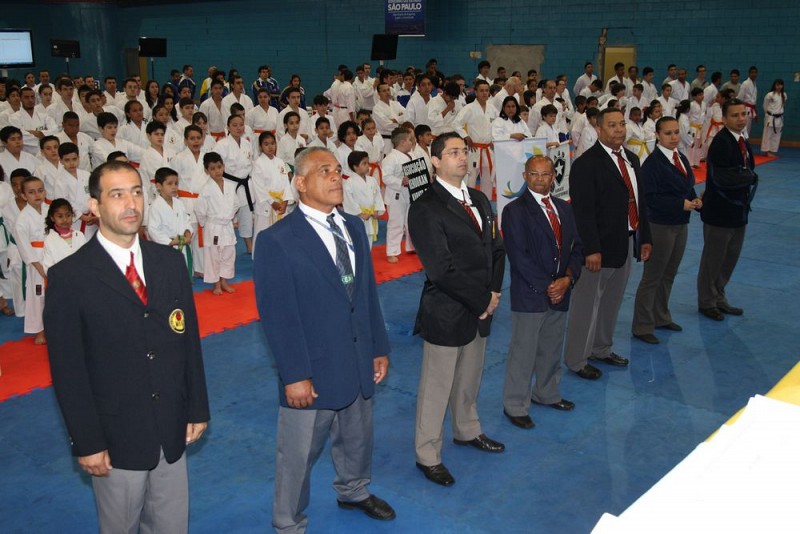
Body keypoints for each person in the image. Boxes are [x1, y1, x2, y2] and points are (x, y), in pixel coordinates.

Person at [44, 160, 209, 532]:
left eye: (136, 192)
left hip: (172, 425)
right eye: (117, 194)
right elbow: (69, 372)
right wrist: (87, 441)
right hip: (116, 435)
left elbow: (188, 342)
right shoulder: (70, 277)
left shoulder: (168, 262)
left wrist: (197, 407)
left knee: (172, 525)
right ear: (95, 206)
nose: (131, 203)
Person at [253, 146, 395, 532]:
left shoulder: (353, 227)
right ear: (300, 183)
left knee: (357, 436)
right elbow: (278, 317)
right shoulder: (277, 240)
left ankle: (354, 490)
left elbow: (366, 294)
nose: (335, 176)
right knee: (298, 454)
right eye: (323, 171)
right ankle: (288, 522)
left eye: (336, 170)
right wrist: (294, 375)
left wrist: (378, 346)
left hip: (357, 354)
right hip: (311, 368)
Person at [408, 132, 506, 487]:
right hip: (448, 308)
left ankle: (467, 429)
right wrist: (481, 300)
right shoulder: (425, 207)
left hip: (482, 304)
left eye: (464, 151)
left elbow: (497, 250)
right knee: (436, 387)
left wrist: (493, 293)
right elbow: (440, 269)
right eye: (453, 152)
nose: (462, 157)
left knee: (470, 377)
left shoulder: (478, 199)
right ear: (435, 161)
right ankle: (428, 454)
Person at [564, 108, 652, 380]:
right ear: (599, 129)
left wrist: (645, 237)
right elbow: (583, 212)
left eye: (621, 124)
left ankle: (601, 348)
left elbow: (640, 201)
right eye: (612, 125)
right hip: (598, 247)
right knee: (586, 304)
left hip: (625, 240)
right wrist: (591, 248)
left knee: (612, 300)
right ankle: (577, 359)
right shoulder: (586, 164)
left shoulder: (632, 159)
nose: (619, 129)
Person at [501, 155, 583, 429]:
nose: (539, 180)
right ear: (525, 176)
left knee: (551, 347)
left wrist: (568, 279)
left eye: (545, 174)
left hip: (561, 290)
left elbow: (577, 247)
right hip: (531, 293)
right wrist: (550, 286)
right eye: (534, 174)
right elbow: (518, 256)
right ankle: (515, 404)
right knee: (523, 351)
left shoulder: (564, 208)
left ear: (553, 177)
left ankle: (546, 392)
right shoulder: (514, 211)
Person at [631, 117, 701, 343]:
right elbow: (649, 199)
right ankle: (642, 325)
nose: (673, 137)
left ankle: (661, 316)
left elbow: (686, 186)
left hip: (681, 223)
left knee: (669, 273)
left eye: (676, 132)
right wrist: (680, 204)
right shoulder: (652, 164)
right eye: (668, 133)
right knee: (653, 276)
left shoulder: (680, 157)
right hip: (660, 225)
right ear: (658, 136)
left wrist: (694, 199)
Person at [697, 98, 757, 321]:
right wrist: (749, 177)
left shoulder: (741, 139)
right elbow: (721, 178)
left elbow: (744, 170)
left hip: (738, 210)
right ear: (724, 118)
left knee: (730, 257)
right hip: (719, 212)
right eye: (735, 115)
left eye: (743, 114)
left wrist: (747, 176)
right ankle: (707, 301)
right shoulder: (721, 142)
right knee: (713, 259)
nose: (741, 119)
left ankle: (719, 296)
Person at [195, 152, 240, 295]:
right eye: (213, 168)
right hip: (213, 226)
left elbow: (236, 204)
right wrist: (205, 224)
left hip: (226, 225)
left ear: (224, 167)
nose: (217, 171)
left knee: (228, 253)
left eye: (219, 167)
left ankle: (224, 281)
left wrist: (230, 218)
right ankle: (216, 284)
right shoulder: (205, 189)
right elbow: (200, 210)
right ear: (206, 170)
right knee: (213, 256)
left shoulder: (230, 186)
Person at [15, 176, 48, 344]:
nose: (37, 195)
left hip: (52, 254)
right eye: (31, 192)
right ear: (23, 195)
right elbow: (24, 247)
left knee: (56, 294)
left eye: (40, 190)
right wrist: (38, 267)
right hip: (36, 262)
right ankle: (39, 331)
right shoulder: (22, 219)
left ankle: (56, 326)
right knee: (38, 296)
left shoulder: (50, 210)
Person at [250, 131, 294, 254]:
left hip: (280, 203)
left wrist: (285, 201)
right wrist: (272, 202)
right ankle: (260, 257)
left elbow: (286, 183)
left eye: (273, 143)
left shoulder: (280, 162)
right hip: (267, 204)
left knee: (281, 232)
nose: (270, 147)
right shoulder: (258, 163)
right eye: (266, 144)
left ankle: (279, 256)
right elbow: (259, 187)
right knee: (263, 231)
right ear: (260, 146)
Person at [454, 79, 497, 195]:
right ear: (476, 92)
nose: (484, 93)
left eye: (486, 90)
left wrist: (494, 140)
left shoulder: (492, 108)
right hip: (474, 148)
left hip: (488, 149)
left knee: (487, 178)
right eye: (481, 91)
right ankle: (468, 200)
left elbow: (497, 126)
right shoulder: (469, 108)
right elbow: (456, 124)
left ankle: (486, 201)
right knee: (471, 178)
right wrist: (466, 137)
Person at [147, 167, 193, 272]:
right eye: (169, 184)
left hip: (182, 245)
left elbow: (186, 221)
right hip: (166, 248)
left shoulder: (179, 203)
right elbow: (153, 230)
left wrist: (188, 233)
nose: (174, 187)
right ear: (159, 186)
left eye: (176, 183)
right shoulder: (155, 206)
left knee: (184, 274)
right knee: (169, 275)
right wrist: (170, 242)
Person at [382, 127, 415, 264]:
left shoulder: (411, 155)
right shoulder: (391, 158)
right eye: (410, 140)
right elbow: (385, 177)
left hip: (409, 193)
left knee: (410, 221)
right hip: (396, 194)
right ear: (402, 142)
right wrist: (400, 181)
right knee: (396, 223)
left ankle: (411, 246)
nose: (412, 142)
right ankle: (392, 252)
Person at [343, 150, 384, 249]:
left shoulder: (372, 180)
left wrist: (376, 210)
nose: (367, 166)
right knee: (358, 244)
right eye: (364, 163)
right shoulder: (349, 182)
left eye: (367, 163)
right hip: (358, 217)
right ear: (355, 167)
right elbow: (348, 201)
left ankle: (367, 259)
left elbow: (377, 196)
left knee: (369, 243)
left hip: (371, 215)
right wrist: (359, 213)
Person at [41, 198, 87, 275]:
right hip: (61, 279)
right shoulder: (50, 240)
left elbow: (86, 259)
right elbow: (48, 268)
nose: (65, 219)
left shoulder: (79, 235)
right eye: (60, 216)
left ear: (72, 216)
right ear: (52, 218)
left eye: (68, 215)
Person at [761, 79, 786, 157]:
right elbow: (765, 105)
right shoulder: (770, 95)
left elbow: (782, 105)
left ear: (782, 86)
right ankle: (767, 151)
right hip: (770, 117)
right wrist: (768, 114)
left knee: (776, 135)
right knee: (768, 134)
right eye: (777, 85)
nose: (779, 86)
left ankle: (772, 150)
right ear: (774, 85)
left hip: (779, 117)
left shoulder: (784, 95)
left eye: (780, 85)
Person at [738, 66, 758, 135]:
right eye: (752, 72)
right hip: (745, 108)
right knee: (744, 128)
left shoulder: (754, 83)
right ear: (749, 73)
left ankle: (745, 140)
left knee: (748, 128)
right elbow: (740, 97)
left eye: (755, 72)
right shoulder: (745, 83)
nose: (754, 74)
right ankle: (742, 140)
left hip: (751, 108)